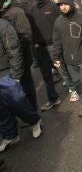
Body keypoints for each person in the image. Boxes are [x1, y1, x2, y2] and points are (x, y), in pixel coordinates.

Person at [0, 18, 42, 151]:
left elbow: (14, 49)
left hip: (6, 72)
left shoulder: (3, 25)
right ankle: (10, 135)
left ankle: (34, 121)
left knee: (18, 102)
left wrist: (16, 75)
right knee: (1, 110)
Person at [26, 0, 61, 111]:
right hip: (39, 48)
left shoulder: (52, 5)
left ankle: (76, 91)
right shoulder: (30, 9)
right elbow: (29, 29)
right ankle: (53, 98)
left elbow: (60, 25)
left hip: (54, 45)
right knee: (46, 75)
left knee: (64, 70)